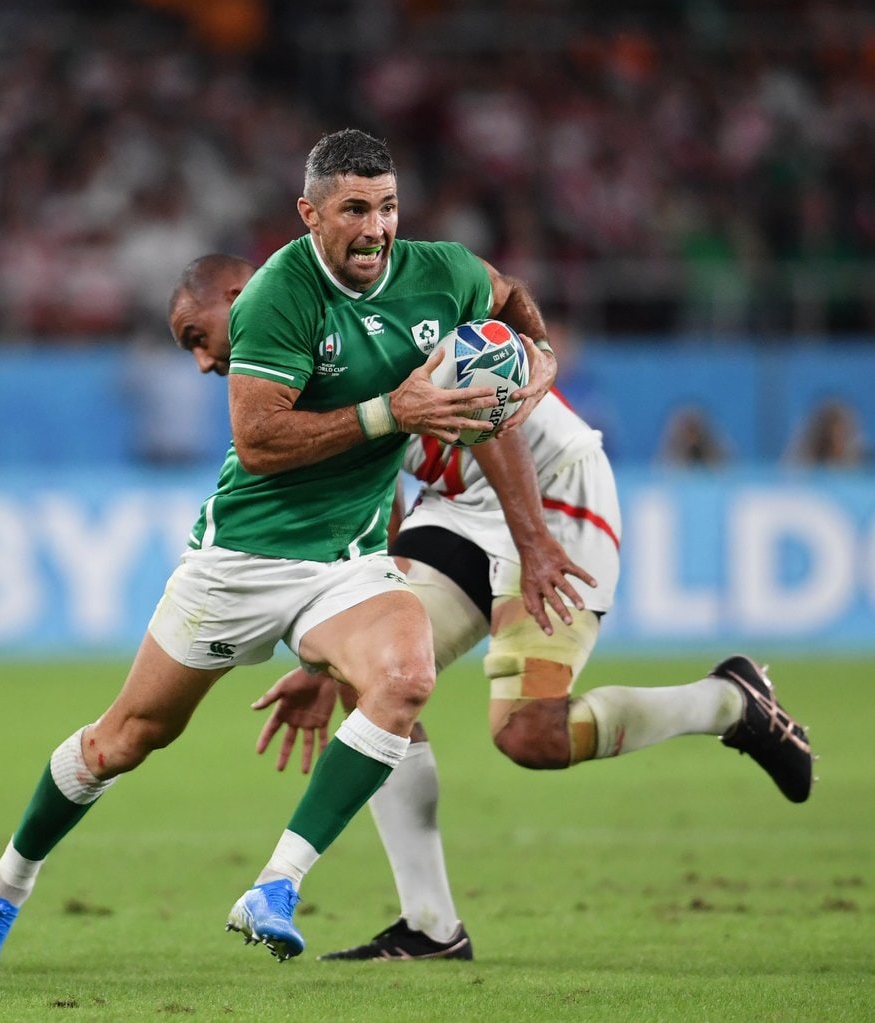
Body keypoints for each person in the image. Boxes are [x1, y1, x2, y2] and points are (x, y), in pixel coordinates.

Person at [0, 128, 572, 982]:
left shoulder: (445, 272)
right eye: (354, 209)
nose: (375, 226)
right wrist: (395, 412)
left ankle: (276, 885)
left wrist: (538, 354)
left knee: (405, 675)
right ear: (310, 214)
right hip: (241, 558)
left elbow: (510, 295)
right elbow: (262, 440)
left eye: (386, 207)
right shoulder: (278, 291)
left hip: (342, 564)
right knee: (126, 737)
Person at [176, 257, 816, 962]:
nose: (203, 361)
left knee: (529, 735)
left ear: (239, 296)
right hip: (454, 507)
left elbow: (493, 409)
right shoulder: (289, 368)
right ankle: (430, 926)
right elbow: (372, 501)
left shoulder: (376, 313)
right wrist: (333, 659)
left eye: (195, 335)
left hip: (550, 495)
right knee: (375, 681)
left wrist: (533, 540)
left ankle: (730, 703)